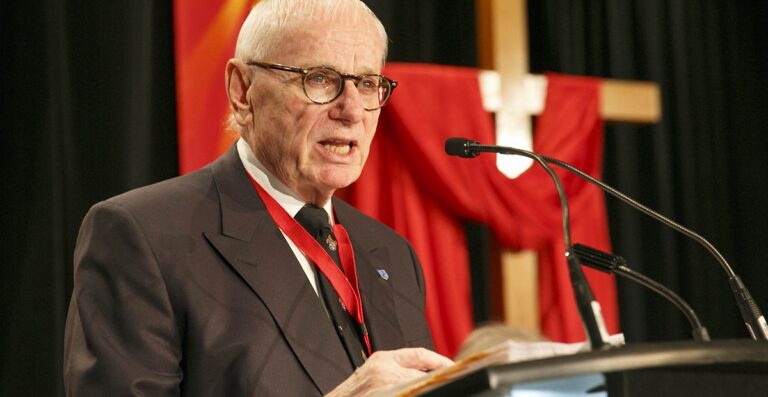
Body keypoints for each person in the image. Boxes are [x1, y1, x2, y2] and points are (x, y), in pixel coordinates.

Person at [63, 0, 453, 395]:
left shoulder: (392, 255)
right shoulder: (144, 237)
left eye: (367, 84)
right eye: (320, 78)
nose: (352, 110)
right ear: (243, 90)